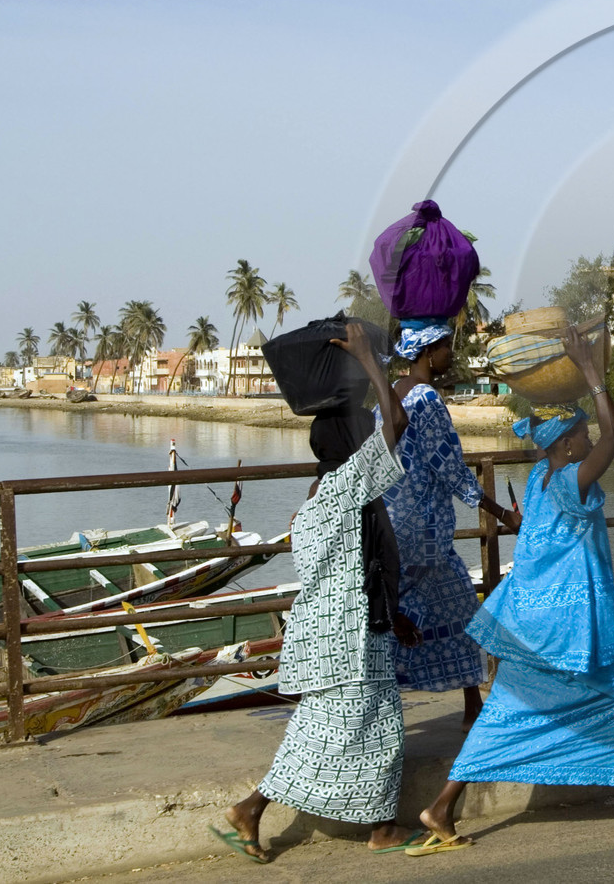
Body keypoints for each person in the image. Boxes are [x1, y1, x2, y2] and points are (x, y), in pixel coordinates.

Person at [411, 327, 614, 855]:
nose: (587, 440)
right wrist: (590, 371)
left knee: (506, 710)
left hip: (528, 622)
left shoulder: (540, 480)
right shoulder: (569, 481)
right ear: (565, 444)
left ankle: (441, 808)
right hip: (570, 625)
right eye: (580, 435)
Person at [213, 322, 425, 863]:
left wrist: (393, 612)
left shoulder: (317, 496)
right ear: (353, 446)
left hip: (338, 634)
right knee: (339, 733)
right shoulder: (347, 486)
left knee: (372, 729)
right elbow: (398, 422)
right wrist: (370, 361)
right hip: (348, 641)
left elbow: (355, 564)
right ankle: (252, 809)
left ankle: (379, 826)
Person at [380, 319, 520, 725]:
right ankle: (463, 704)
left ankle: (472, 704)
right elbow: (450, 467)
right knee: (446, 610)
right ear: (428, 352)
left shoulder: (394, 391)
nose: (450, 353)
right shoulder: (426, 399)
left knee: (446, 606)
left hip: (393, 523)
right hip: (423, 532)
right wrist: (502, 514)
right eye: (445, 346)